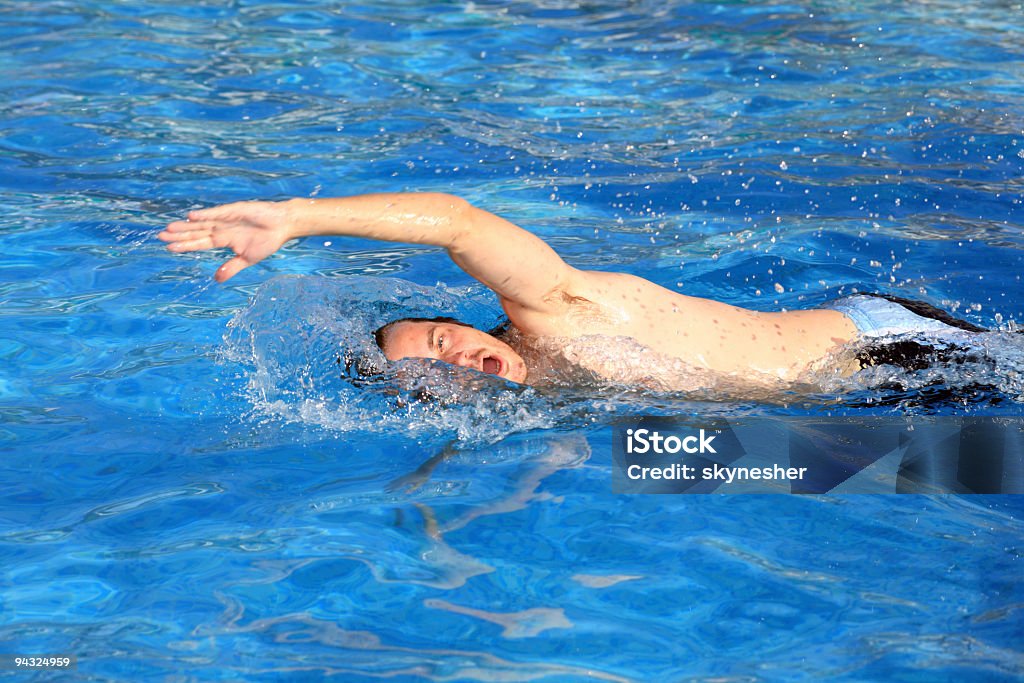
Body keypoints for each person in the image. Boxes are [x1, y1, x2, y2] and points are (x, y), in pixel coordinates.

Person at [158, 192, 986, 392]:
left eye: (441, 341)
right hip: (863, 404)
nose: (455, 364)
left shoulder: (550, 311)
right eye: (430, 375)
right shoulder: (548, 394)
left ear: (466, 320)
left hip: (885, 347)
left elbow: (455, 224)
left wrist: (298, 218)